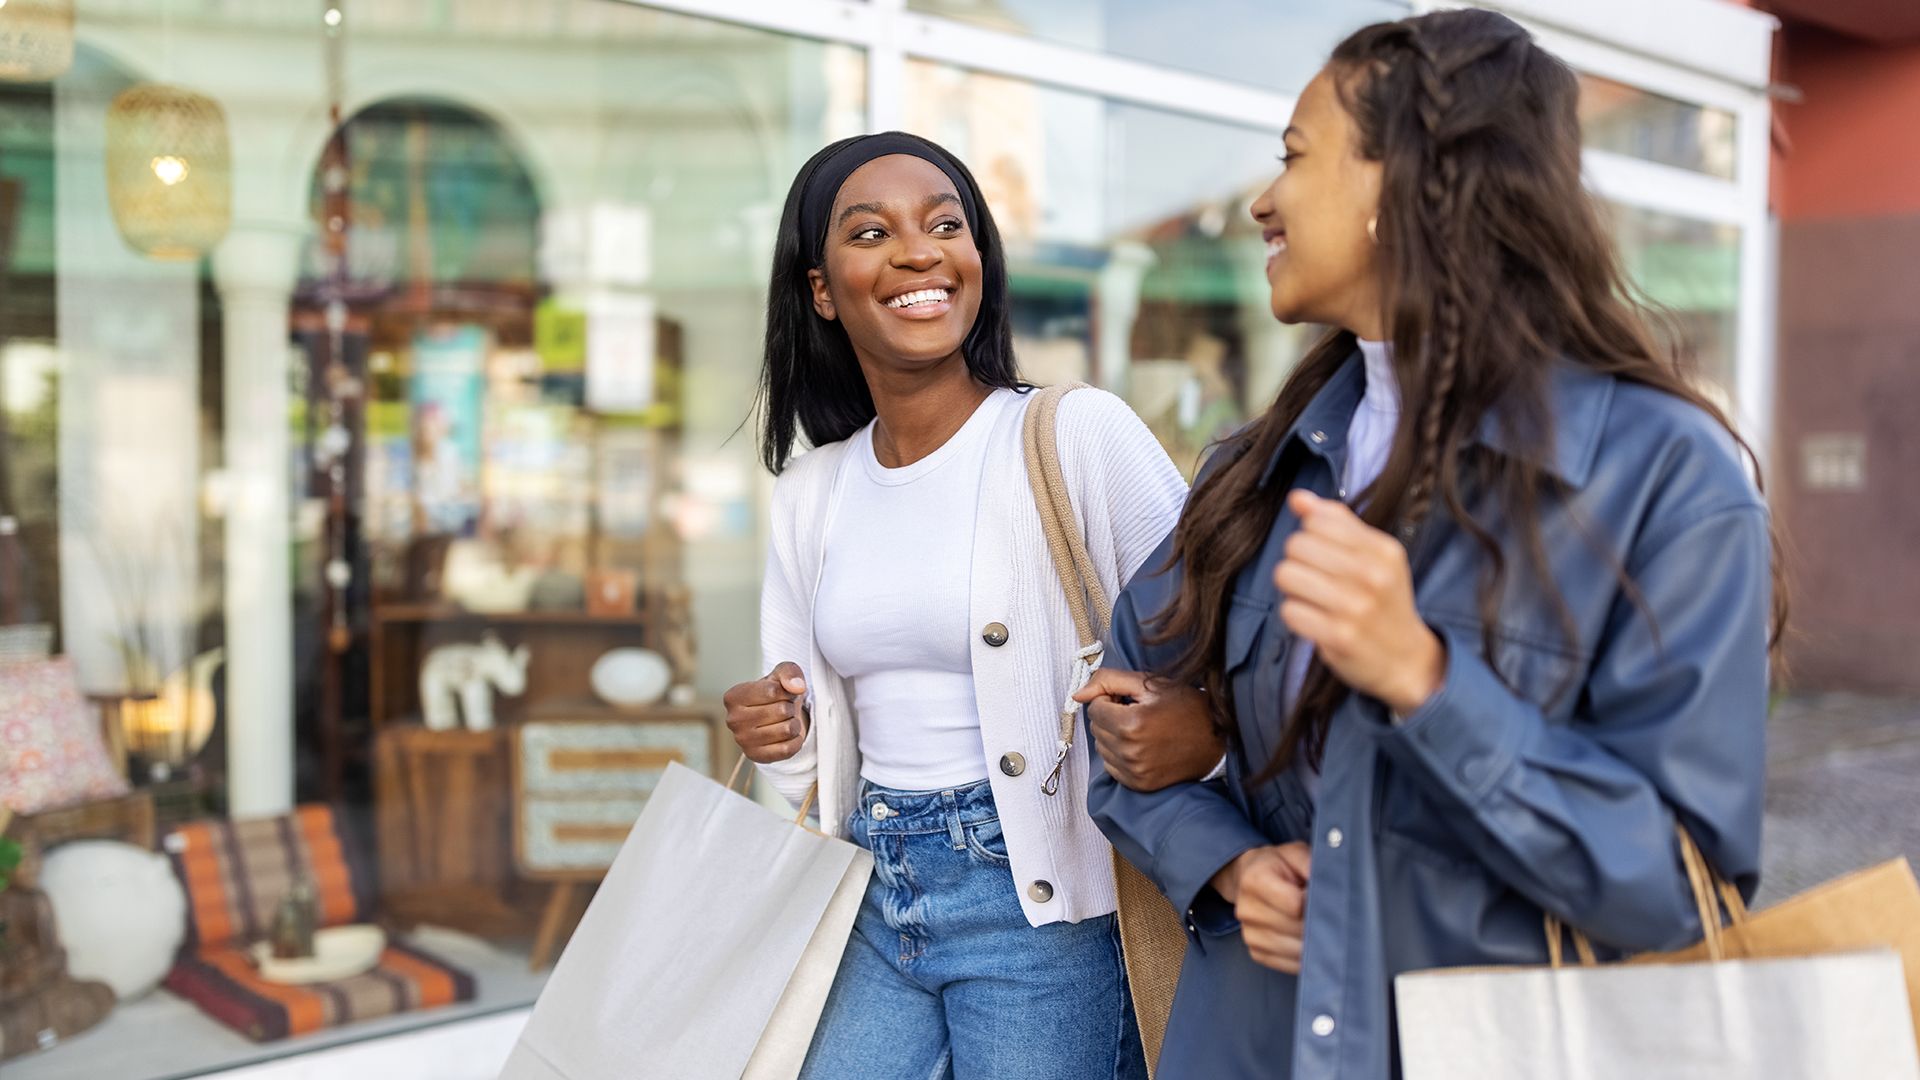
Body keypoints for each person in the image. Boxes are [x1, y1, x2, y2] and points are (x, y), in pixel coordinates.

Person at [1075, 10, 1787, 1078]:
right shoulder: (1254, 471)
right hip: (1252, 1045)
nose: (1262, 200)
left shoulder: (1662, 475)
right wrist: (1224, 862)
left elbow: (1681, 893)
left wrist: (1425, 679)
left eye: (1296, 157)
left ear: (1405, 178)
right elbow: (1124, 724)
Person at [723, 131, 1189, 1080]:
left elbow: (1213, 649)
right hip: (870, 887)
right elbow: (808, 766)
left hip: (1038, 899)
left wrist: (1183, 725)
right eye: (871, 233)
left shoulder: (1073, 434)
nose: (919, 251)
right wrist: (776, 727)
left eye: (947, 225)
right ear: (820, 289)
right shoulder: (814, 491)